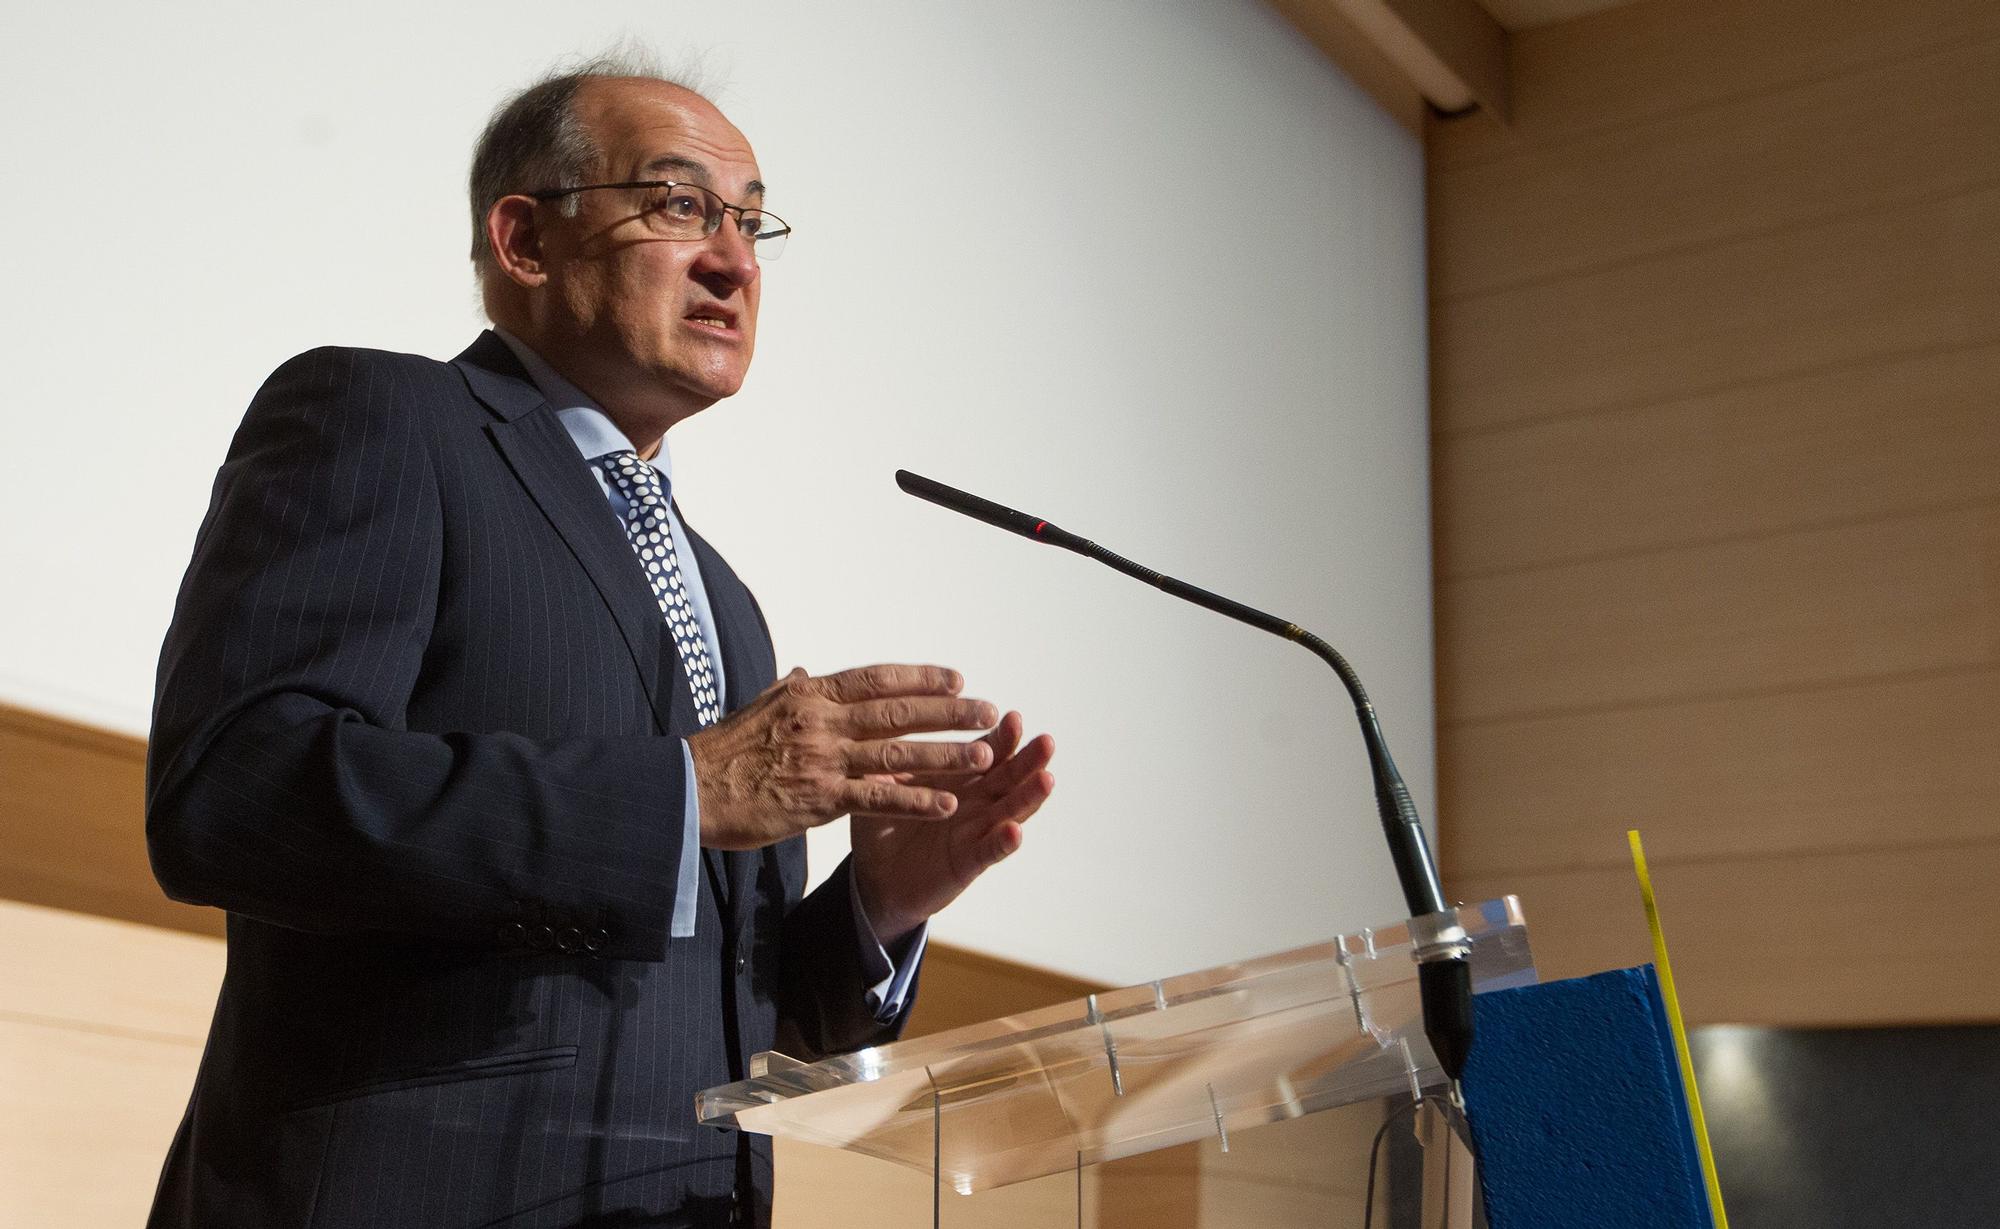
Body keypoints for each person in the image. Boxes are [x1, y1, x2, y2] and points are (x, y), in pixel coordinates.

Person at [143, 55, 1055, 1228]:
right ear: (524, 239)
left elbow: (737, 1021)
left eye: (748, 221)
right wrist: (684, 789)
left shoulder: (725, 600)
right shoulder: (385, 420)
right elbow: (231, 790)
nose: (731, 259)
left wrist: (876, 907)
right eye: (677, 205)